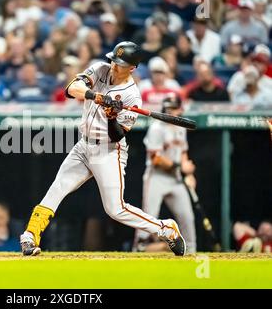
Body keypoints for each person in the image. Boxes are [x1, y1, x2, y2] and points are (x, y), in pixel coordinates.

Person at [20, 41, 187, 257]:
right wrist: (95, 96)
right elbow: (71, 89)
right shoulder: (100, 69)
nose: (114, 66)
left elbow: (117, 134)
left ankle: (166, 229)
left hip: (109, 151)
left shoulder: (132, 95)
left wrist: (111, 116)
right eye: (114, 60)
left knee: (115, 209)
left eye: (120, 63)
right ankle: (30, 235)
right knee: (58, 187)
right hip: (84, 145)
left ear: (133, 68)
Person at [135, 95, 196, 254]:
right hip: (157, 177)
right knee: (149, 218)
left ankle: (190, 252)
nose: (170, 112)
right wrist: (181, 167)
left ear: (180, 109)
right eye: (168, 109)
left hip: (175, 179)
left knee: (187, 218)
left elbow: (183, 152)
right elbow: (156, 159)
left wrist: (188, 174)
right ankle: (139, 248)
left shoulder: (182, 127)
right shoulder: (157, 128)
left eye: (173, 108)